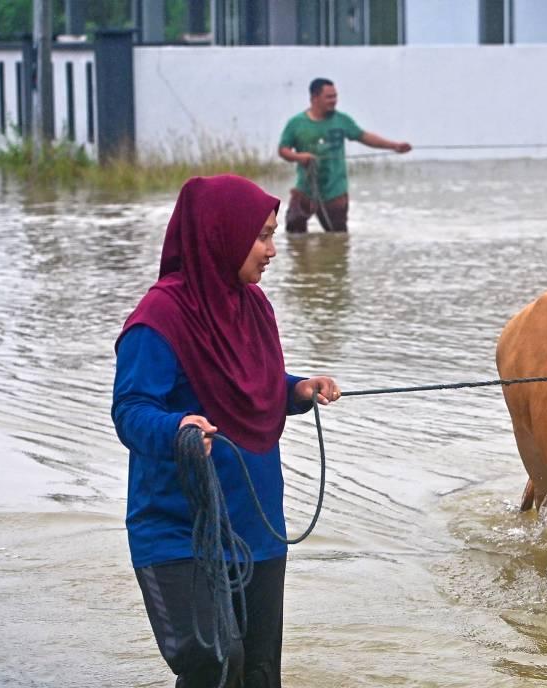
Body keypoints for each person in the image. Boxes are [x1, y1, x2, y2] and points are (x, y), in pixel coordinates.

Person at [112, 174, 341, 687]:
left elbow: (249, 383)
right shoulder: (157, 321)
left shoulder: (254, 306)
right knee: (215, 666)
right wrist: (177, 427)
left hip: (257, 526)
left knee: (259, 672)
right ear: (221, 233)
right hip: (180, 530)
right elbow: (130, 410)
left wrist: (297, 389)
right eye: (261, 235)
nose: (272, 250)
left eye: (272, 234)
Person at [278, 78, 412, 233]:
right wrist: (299, 157)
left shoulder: (342, 120)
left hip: (335, 192)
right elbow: (283, 150)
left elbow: (364, 136)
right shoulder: (296, 123)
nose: (334, 101)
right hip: (305, 190)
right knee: (294, 235)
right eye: (329, 97)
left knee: (338, 238)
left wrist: (394, 146)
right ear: (314, 97)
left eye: (335, 96)